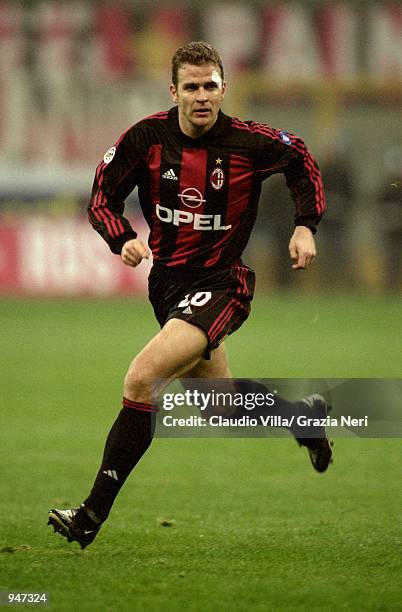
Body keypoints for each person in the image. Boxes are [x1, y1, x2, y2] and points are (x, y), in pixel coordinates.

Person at [48, 41, 332, 550]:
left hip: (223, 284)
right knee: (216, 405)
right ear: (174, 90)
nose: (202, 97)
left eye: (211, 86)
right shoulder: (147, 139)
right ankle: (300, 417)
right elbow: (100, 197)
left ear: (224, 88)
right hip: (168, 287)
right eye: (192, 87)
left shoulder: (250, 142)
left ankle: (91, 513)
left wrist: (305, 225)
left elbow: (302, 160)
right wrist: (122, 237)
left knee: (141, 380)